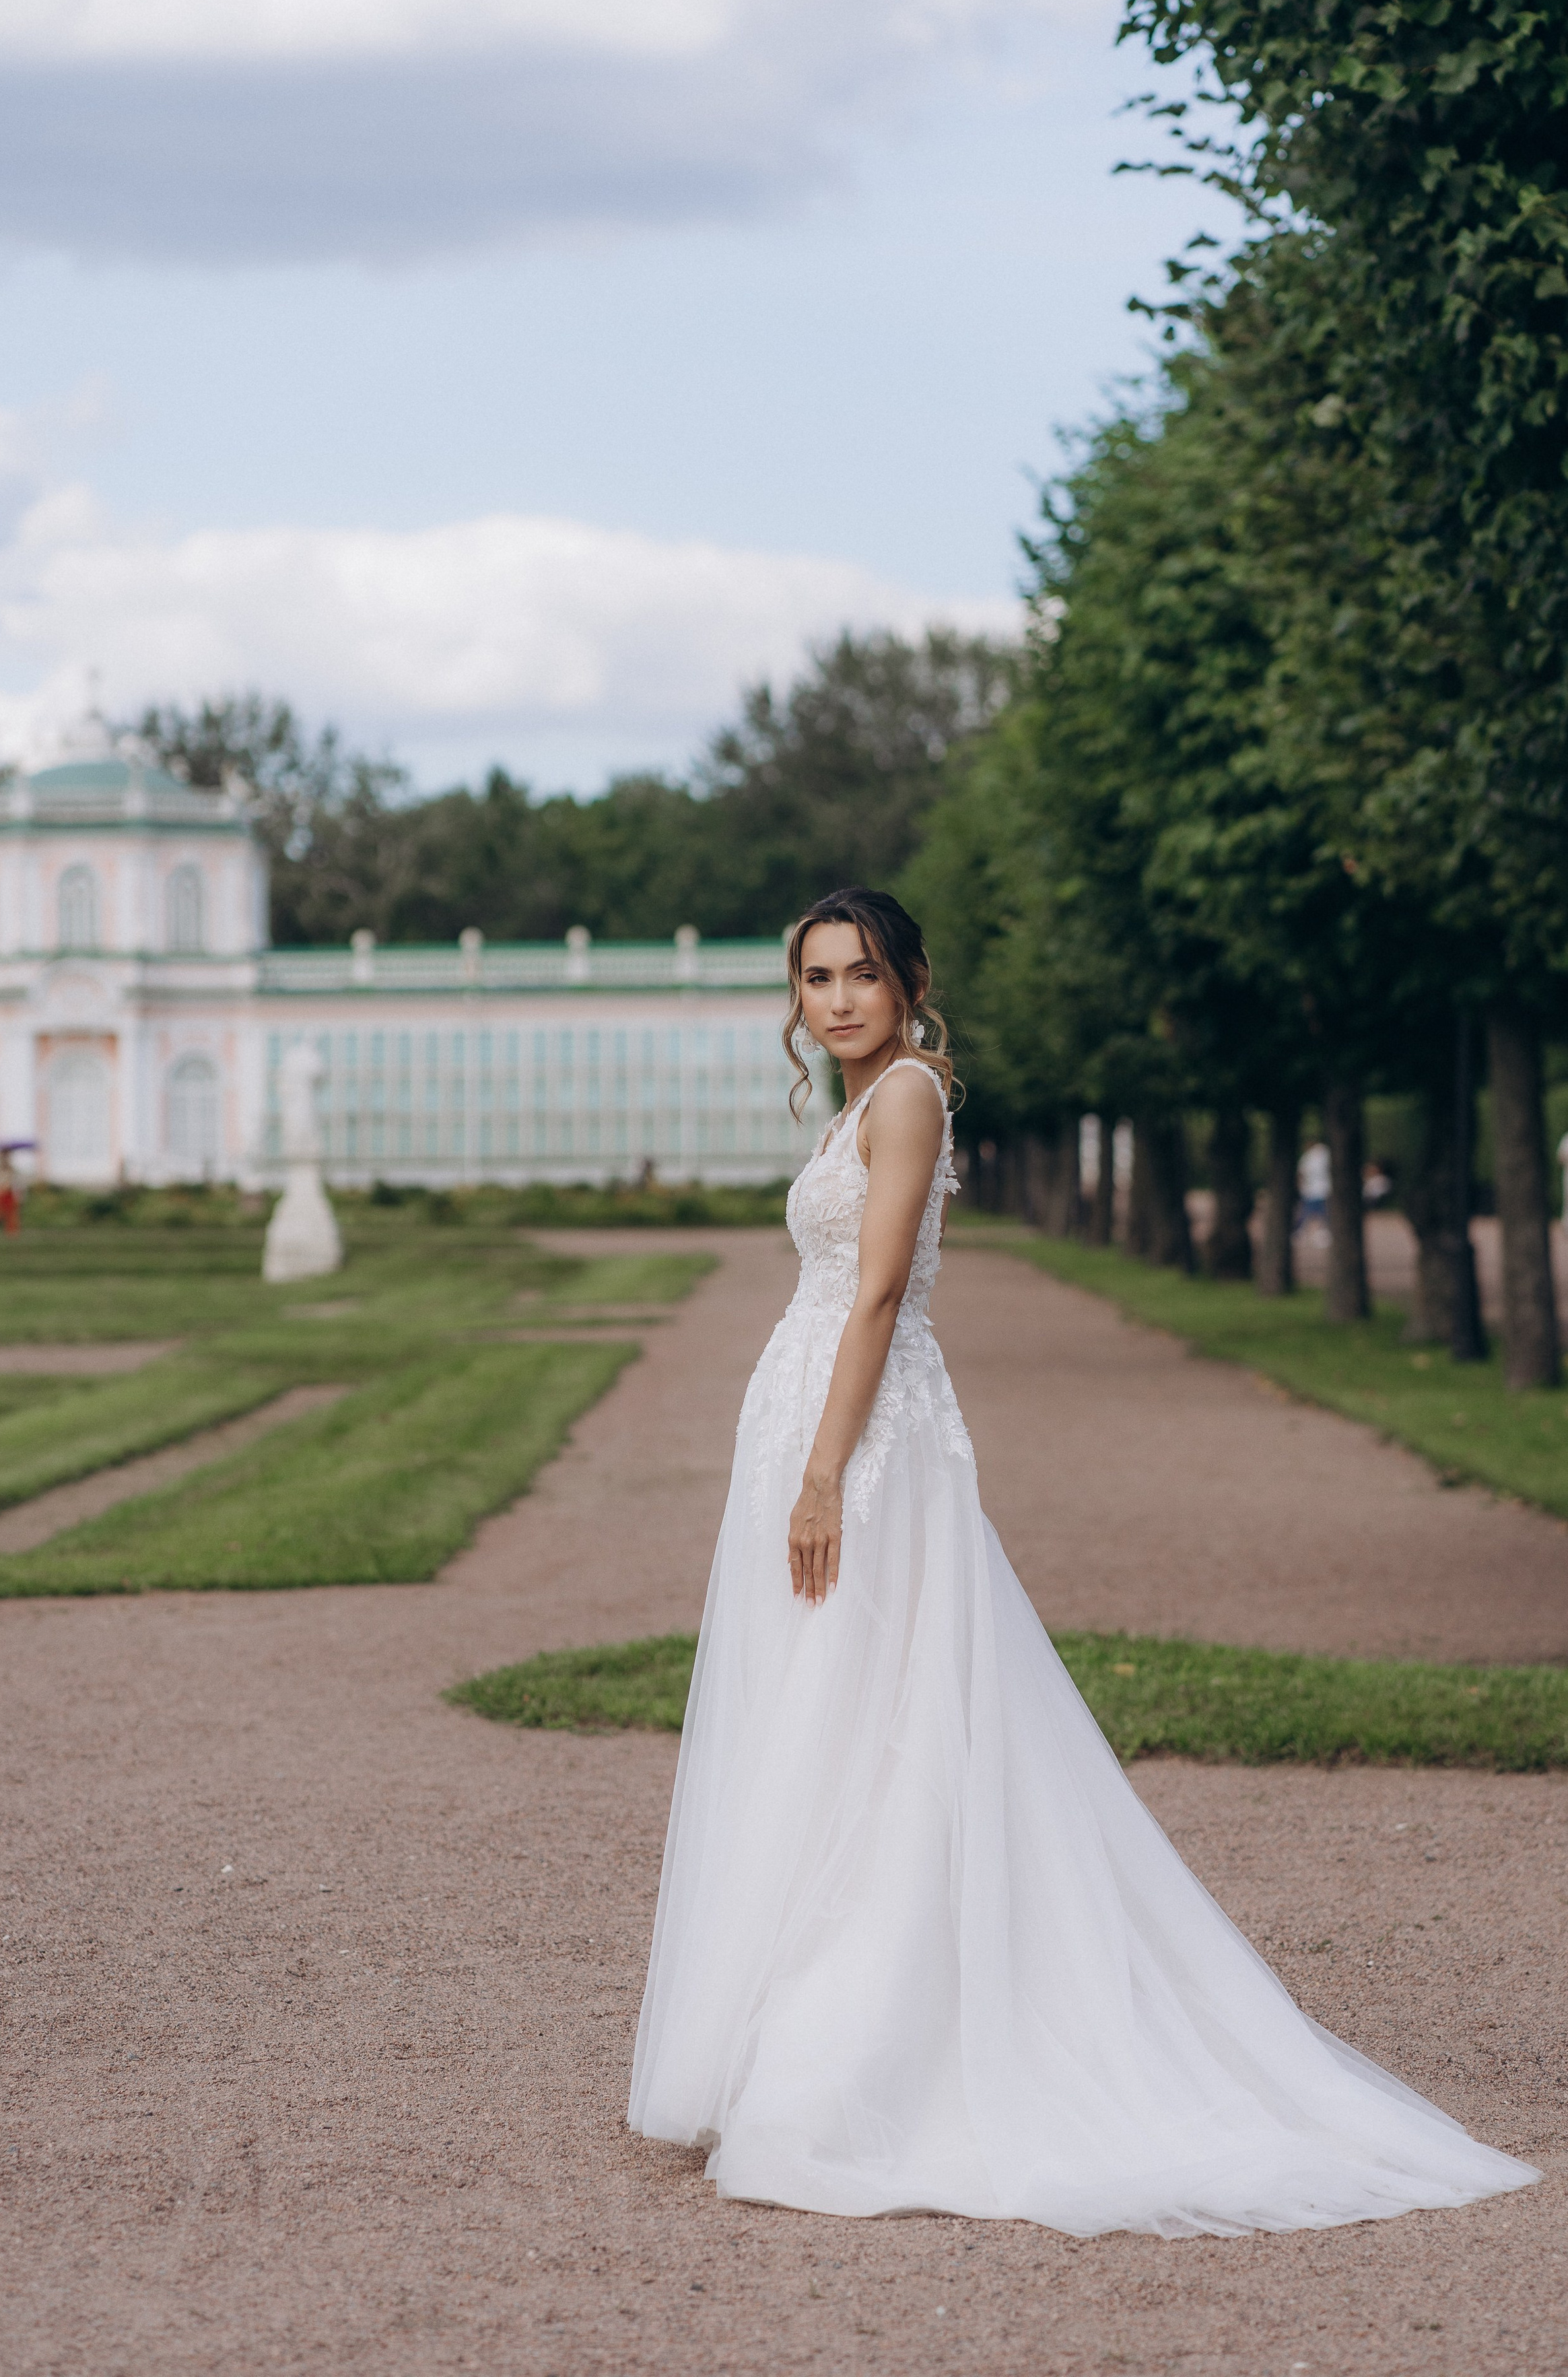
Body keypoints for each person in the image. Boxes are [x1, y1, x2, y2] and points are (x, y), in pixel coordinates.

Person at [628, 888, 1536, 2232]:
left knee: (877, 1707)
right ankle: (807, 2017)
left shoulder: (905, 1098)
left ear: (909, 981)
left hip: (862, 1436)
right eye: (816, 978)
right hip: (817, 1414)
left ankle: (863, 2039)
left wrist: (823, 1472)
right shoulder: (857, 1103)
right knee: (829, 1711)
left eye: (862, 974)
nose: (837, 1000)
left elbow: (877, 1292)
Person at [1297, 1137, 1331, 1244]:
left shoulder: (1309, 1156)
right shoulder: (1325, 1153)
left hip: (1314, 1189)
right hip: (1320, 1189)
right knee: (1320, 1212)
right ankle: (1320, 1232)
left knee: (1309, 1212)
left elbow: (1301, 1172)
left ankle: (1302, 1231)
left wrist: (1301, 1186)